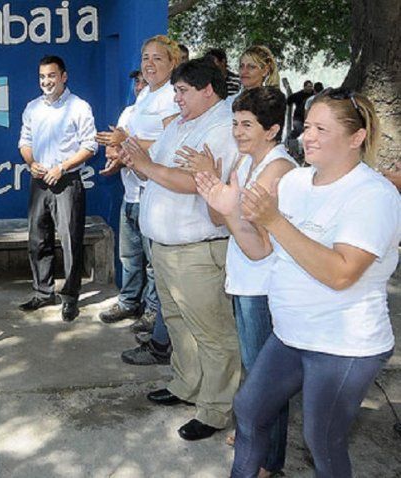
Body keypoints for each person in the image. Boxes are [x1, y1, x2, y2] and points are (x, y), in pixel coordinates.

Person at [196, 88, 399, 477]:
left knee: (322, 439)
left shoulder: (373, 195)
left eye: (321, 129)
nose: (308, 137)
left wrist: (274, 220)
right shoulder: (296, 183)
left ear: (356, 138)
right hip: (291, 334)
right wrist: (231, 213)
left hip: (344, 345)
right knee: (250, 409)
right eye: (307, 126)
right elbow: (260, 251)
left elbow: (341, 273)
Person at [121, 58, 241, 441]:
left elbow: (199, 183)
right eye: (175, 91)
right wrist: (133, 161)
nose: (176, 98)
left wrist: (146, 166)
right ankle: (187, 386)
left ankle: (216, 408)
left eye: (182, 91)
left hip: (196, 249)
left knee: (211, 332)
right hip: (167, 247)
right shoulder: (183, 123)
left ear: (208, 89)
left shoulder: (223, 126)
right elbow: (155, 168)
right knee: (177, 323)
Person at [182, 87, 296, 476]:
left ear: (272, 129)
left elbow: (260, 248)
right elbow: (221, 219)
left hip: (264, 286)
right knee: (254, 369)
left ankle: (268, 459)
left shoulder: (278, 170)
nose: (238, 131)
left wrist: (224, 200)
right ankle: (255, 436)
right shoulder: (245, 164)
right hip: (244, 283)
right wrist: (212, 185)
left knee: (268, 379)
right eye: (234, 123)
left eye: (247, 124)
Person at [96, 35, 181, 368]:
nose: (149, 63)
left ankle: (157, 323)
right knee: (132, 256)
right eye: (146, 57)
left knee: (156, 264)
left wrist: (125, 141)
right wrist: (117, 152)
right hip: (135, 191)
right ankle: (139, 311)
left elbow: (168, 143)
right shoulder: (146, 94)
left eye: (158, 58)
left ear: (173, 63)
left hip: (158, 192)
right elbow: (131, 139)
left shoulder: (173, 98)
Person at [17, 55, 97, 322]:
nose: (46, 82)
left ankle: (70, 297)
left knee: (70, 242)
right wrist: (32, 162)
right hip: (39, 181)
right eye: (42, 77)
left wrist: (61, 167)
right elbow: (24, 141)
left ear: (64, 77)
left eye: (51, 76)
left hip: (67, 181)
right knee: (37, 239)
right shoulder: (32, 108)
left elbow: (90, 146)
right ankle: (43, 291)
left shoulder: (79, 107)